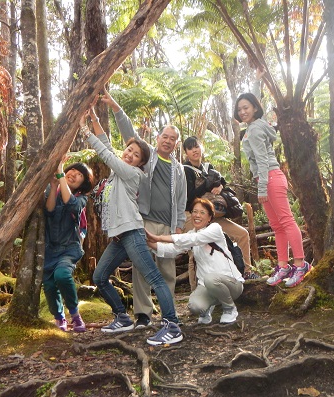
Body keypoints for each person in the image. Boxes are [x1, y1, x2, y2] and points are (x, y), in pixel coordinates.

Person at [79, 106, 183, 346]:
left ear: (141, 163)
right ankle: (122, 316)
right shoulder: (119, 172)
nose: (129, 155)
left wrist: (84, 131)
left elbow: (106, 153)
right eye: (128, 150)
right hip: (119, 236)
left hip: (133, 232)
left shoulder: (132, 174)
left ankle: (172, 324)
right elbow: (106, 142)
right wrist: (94, 117)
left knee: (155, 277)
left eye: (136, 155)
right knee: (100, 276)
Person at [100, 89, 187, 329]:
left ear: (176, 143)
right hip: (143, 220)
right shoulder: (148, 159)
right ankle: (143, 314)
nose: (168, 141)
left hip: (167, 225)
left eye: (172, 139)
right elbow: (130, 134)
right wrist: (116, 107)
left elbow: (181, 199)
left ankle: (167, 316)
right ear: (158, 138)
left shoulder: (179, 169)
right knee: (141, 268)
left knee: (167, 269)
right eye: (165, 136)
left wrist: (178, 227)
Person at [234, 93, 311, 288]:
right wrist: (257, 82)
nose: (242, 111)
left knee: (286, 221)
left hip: (270, 178)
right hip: (267, 178)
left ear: (254, 108)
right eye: (240, 109)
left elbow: (261, 160)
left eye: (246, 107)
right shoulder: (256, 126)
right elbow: (253, 99)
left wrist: (261, 188)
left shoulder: (255, 130)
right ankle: (283, 266)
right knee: (277, 226)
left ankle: (300, 265)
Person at [147, 198, 244, 324]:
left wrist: (158, 237)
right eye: (194, 211)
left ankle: (230, 308)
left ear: (209, 217)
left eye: (202, 213)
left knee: (211, 279)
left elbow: (195, 239)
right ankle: (207, 309)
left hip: (232, 283)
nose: (197, 215)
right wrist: (149, 243)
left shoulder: (215, 229)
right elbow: (172, 249)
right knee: (194, 305)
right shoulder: (191, 234)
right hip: (208, 286)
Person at [182, 136, 253, 290]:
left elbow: (220, 184)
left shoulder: (208, 167)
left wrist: (220, 187)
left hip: (213, 215)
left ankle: (246, 272)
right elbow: (188, 198)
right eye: (190, 148)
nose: (195, 150)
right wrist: (206, 186)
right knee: (196, 249)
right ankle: (196, 290)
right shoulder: (185, 170)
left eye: (197, 146)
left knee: (242, 234)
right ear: (186, 152)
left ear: (202, 147)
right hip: (192, 215)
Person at [44, 160, 94, 332]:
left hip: (69, 248)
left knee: (63, 275)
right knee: (49, 286)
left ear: (83, 183)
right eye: (72, 170)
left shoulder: (81, 198)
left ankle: (75, 315)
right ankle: (59, 317)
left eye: (79, 175)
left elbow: (70, 203)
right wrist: (53, 184)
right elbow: (49, 210)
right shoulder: (53, 190)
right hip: (50, 249)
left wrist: (61, 177)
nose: (74, 174)